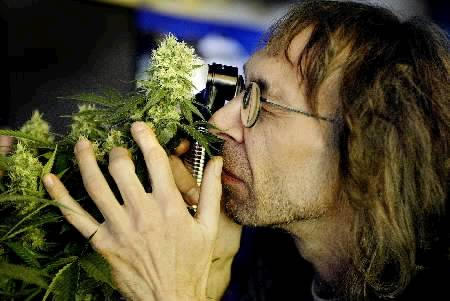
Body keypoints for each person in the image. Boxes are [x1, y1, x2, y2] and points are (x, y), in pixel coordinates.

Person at [41, 0, 449, 300]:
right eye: (242, 90)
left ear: (367, 145)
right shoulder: (268, 258)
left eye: (263, 104)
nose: (219, 123)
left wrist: (170, 291)